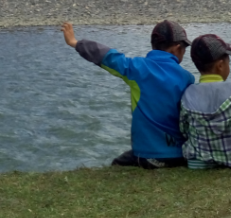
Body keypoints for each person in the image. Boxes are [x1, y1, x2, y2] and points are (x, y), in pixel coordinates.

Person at [61, 19, 194, 168]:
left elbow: (107, 56)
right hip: (179, 155)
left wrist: (75, 43)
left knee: (116, 165)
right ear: (176, 48)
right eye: (184, 49)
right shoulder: (187, 78)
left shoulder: (137, 68)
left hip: (147, 155)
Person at [179, 34, 231, 170]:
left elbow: (184, 130)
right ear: (220, 65)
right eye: (228, 63)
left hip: (197, 163)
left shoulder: (188, 94)